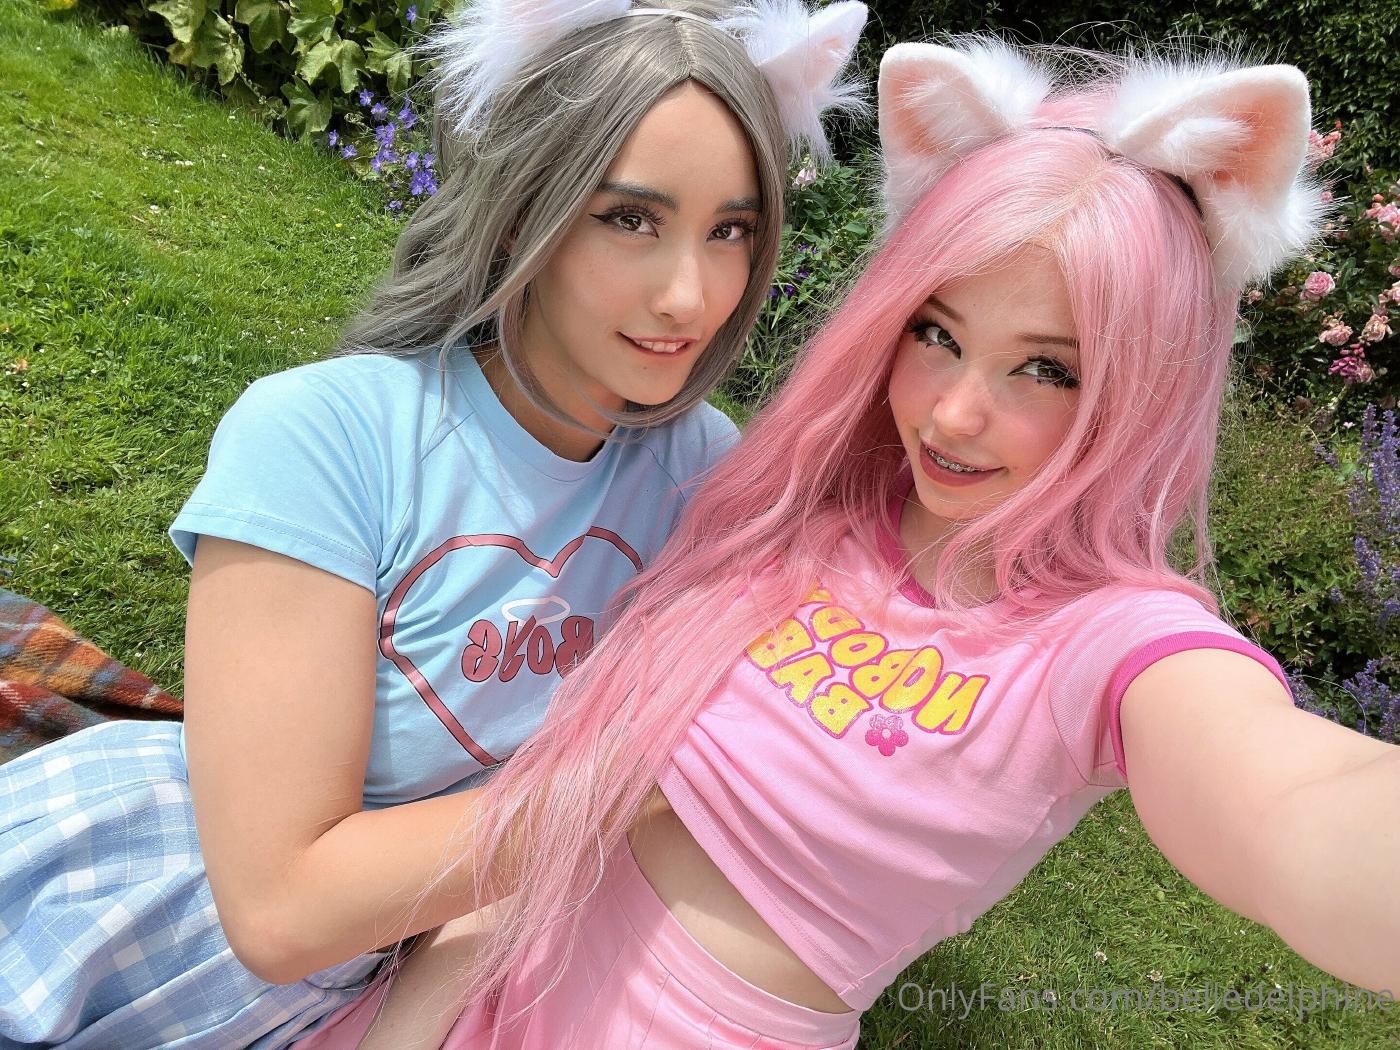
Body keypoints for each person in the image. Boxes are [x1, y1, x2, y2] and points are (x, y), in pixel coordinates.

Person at [293, 35, 1399, 1050]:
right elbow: (565, 805)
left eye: (1045, 369)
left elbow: (1292, 804)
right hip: (466, 981)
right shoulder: (787, 515)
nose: (953, 414)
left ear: (1141, 390)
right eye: (936, 333)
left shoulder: (1111, 643)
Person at [0, 1, 869, 1047]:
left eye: (730, 231)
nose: (690, 294)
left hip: (399, 970)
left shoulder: (701, 474)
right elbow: (279, 911)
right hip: (130, 923)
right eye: (629, 218)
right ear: (519, 211)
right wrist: (660, 778)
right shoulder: (325, 436)